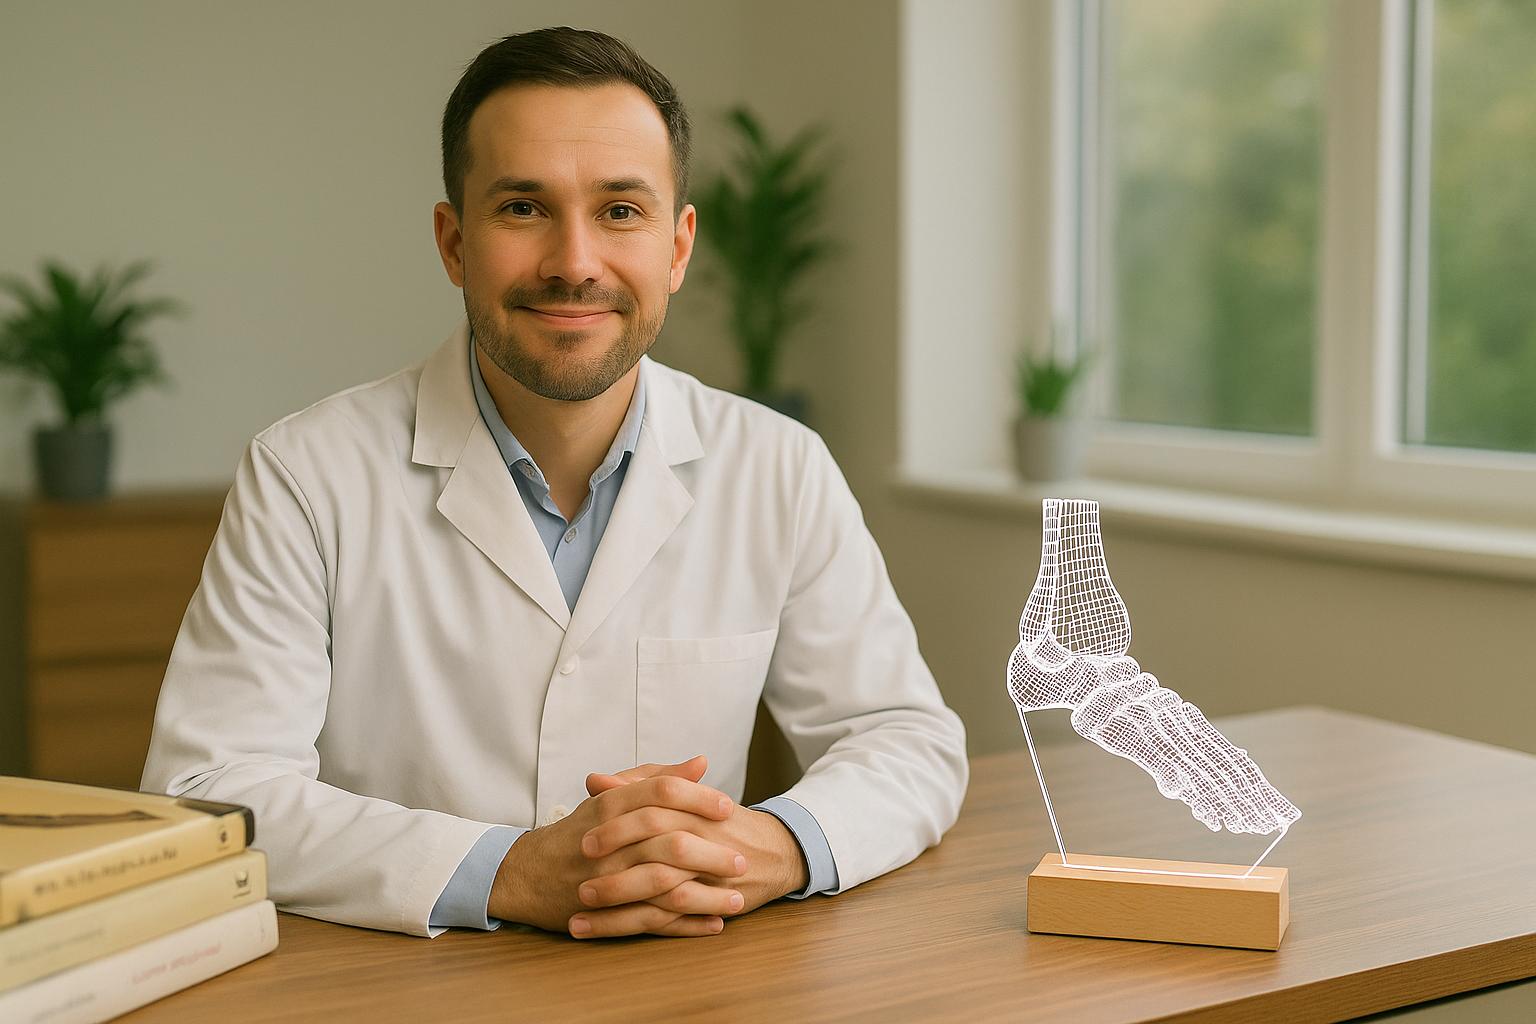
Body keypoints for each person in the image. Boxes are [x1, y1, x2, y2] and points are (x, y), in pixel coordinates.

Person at [141, 26, 966, 940]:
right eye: (524, 208)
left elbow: (907, 740)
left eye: (620, 211)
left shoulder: (778, 465)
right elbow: (207, 796)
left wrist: (768, 847)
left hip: (687, 988)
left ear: (679, 248)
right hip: (399, 989)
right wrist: (508, 871)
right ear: (454, 244)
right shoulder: (306, 475)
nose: (575, 261)